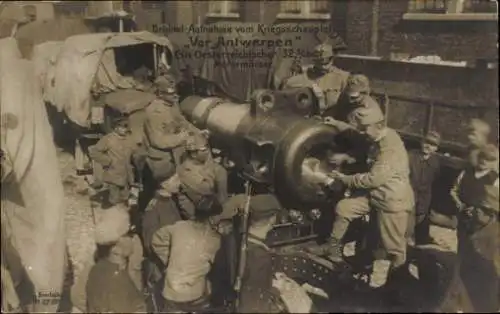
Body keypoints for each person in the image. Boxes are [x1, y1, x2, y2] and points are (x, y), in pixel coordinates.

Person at [311, 105, 414, 290]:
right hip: (375, 196)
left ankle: (398, 286)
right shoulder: (376, 135)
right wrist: (336, 124)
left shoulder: (389, 148)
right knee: (344, 208)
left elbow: (373, 179)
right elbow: (357, 133)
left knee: (394, 248)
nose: (363, 133)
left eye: (365, 128)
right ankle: (332, 246)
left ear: (379, 125)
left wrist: (345, 179)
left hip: (391, 201)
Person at [236, 194, 312, 313]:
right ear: (272, 218)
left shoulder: (238, 240)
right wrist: (277, 290)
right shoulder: (259, 256)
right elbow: (255, 299)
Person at [151, 195, 224, 312]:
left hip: (171, 292)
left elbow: (156, 239)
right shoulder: (214, 240)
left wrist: (169, 258)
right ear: (212, 218)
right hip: (194, 295)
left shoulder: (179, 227)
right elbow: (219, 267)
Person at [450, 144, 499, 312]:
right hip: (464, 221)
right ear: (479, 158)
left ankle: (475, 300)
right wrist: (461, 206)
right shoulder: (466, 173)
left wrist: (480, 211)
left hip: (482, 227)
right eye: (483, 158)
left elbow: (495, 205)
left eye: (490, 160)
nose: (485, 162)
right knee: (461, 257)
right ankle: (457, 297)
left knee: (478, 260)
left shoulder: (495, 179)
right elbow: (454, 191)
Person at [86, 205, 146, 313]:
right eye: (128, 235)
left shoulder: (102, 268)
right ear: (115, 248)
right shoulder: (116, 283)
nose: (133, 239)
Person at [142, 73, 193, 185]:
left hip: (176, 155)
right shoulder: (155, 112)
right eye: (171, 93)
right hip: (163, 160)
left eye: (175, 92)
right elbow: (158, 141)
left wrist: (197, 132)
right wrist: (182, 137)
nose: (175, 96)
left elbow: (181, 121)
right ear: (160, 94)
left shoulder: (172, 104)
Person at [282, 42, 349, 116]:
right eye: (319, 62)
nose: (323, 66)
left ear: (332, 59)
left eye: (326, 61)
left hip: (330, 121)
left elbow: (347, 106)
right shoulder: (298, 79)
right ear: (314, 60)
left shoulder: (343, 77)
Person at [173, 135, 228, 220]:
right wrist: (218, 175)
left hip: (210, 204)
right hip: (198, 213)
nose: (207, 152)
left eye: (207, 148)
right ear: (194, 154)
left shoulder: (202, 161)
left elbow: (218, 171)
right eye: (204, 150)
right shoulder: (185, 171)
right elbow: (207, 189)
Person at [89, 116, 136, 206]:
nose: (124, 129)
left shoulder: (129, 139)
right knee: (113, 200)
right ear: (115, 128)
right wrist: (108, 161)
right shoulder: (108, 139)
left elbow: (135, 152)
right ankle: (111, 215)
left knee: (125, 198)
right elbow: (94, 152)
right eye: (122, 127)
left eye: (126, 127)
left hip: (127, 175)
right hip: (113, 174)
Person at [408, 131, 441, 245]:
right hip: (409, 194)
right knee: (407, 223)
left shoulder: (435, 162)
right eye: (426, 142)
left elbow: (434, 179)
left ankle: (418, 243)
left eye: (432, 144)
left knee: (420, 218)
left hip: (423, 197)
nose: (428, 146)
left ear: (436, 148)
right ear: (421, 142)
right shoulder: (411, 156)